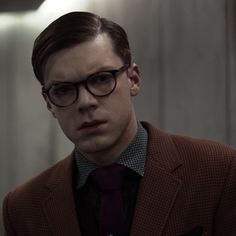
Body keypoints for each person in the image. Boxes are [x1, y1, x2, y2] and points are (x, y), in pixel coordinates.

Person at [2, 11, 236, 236]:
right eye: (63, 90)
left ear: (133, 79)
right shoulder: (22, 208)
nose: (85, 102)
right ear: (49, 103)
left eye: (101, 79)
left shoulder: (219, 170)